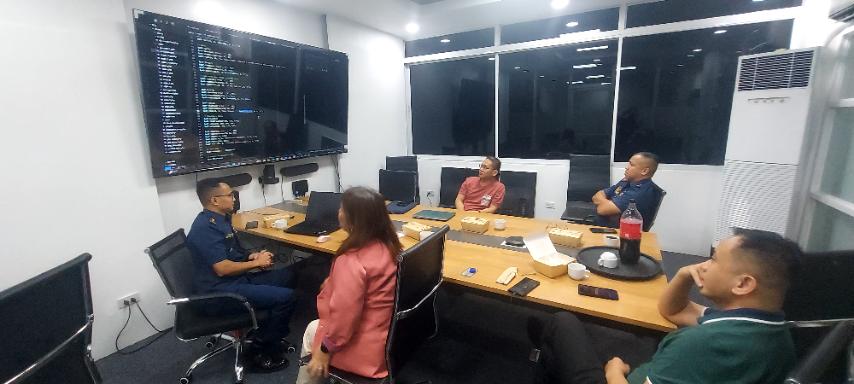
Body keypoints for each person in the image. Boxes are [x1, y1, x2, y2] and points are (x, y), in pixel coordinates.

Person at [533, 228, 802, 384]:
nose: (704, 265)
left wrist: (614, 370)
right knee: (570, 338)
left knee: (561, 322)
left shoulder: (702, 343)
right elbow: (674, 311)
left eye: (715, 260)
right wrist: (684, 274)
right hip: (661, 369)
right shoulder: (771, 333)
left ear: (743, 284)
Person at [186, 178, 297, 372]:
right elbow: (222, 268)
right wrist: (255, 263)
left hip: (234, 281)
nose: (234, 198)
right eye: (229, 195)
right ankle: (258, 351)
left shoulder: (222, 219)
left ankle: (270, 330)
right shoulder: (205, 228)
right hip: (219, 293)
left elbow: (234, 253)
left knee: (287, 276)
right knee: (286, 298)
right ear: (215, 200)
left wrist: (252, 255)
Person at [297, 187, 403, 383]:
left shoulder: (351, 260)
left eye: (342, 209)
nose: (338, 213)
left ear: (354, 218)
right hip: (386, 336)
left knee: (312, 331)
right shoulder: (388, 245)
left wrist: (324, 349)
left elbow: (343, 319)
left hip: (362, 350)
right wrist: (336, 281)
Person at [592, 152, 660, 228]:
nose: (627, 167)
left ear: (644, 171)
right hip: (604, 226)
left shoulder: (640, 192)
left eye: (631, 164)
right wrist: (607, 203)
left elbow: (602, 210)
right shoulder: (627, 181)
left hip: (619, 233)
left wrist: (604, 203)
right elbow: (597, 195)